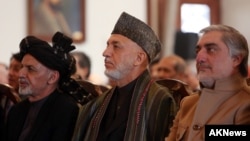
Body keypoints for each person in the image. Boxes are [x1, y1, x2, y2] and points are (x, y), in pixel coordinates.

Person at [71, 12, 177, 141]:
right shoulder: (100, 102)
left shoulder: (159, 100)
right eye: (107, 45)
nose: (105, 53)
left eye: (116, 46)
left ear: (138, 58)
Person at [166, 25, 250, 141]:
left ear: (236, 59)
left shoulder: (246, 104)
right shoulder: (189, 103)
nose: (199, 58)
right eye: (198, 50)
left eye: (211, 50)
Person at [3, 32, 91, 141]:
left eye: (30, 69)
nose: (21, 74)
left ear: (52, 77)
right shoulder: (16, 111)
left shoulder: (66, 111)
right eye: (22, 67)